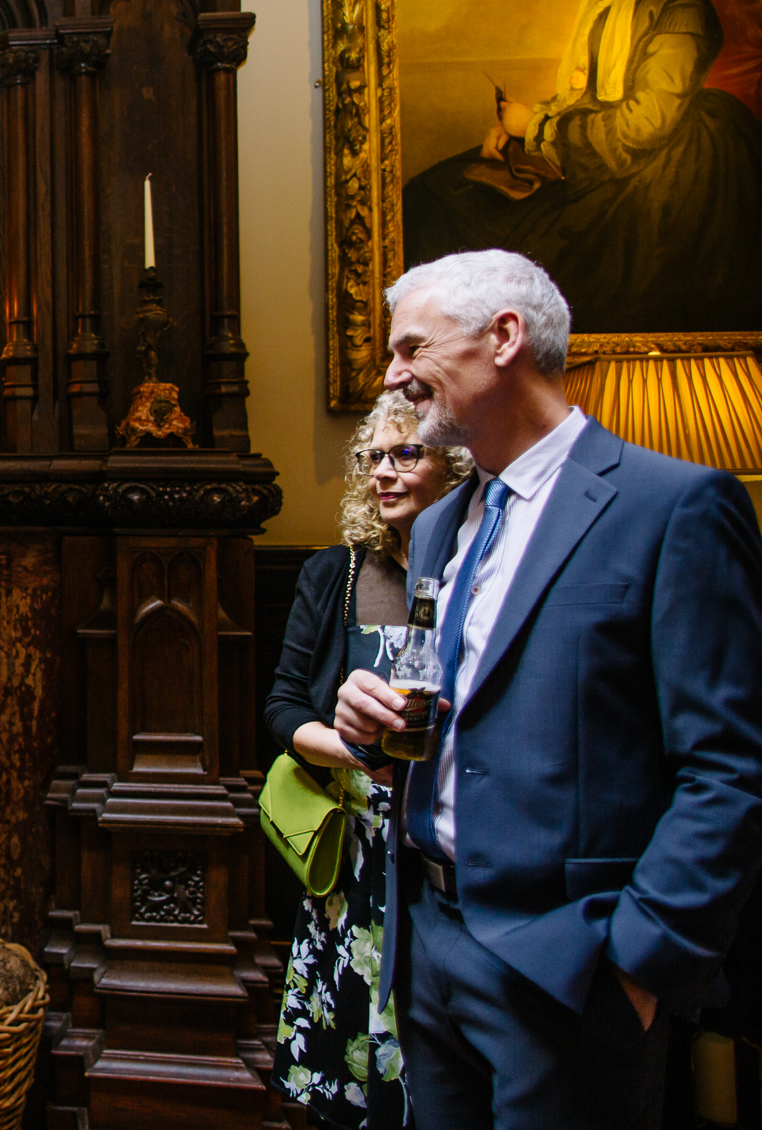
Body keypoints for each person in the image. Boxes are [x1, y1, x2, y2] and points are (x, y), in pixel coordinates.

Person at [334, 249, 762, 1127]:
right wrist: (371, 725)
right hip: (430, 949)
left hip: (573, 970)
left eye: (413, 347)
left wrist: (642, 964)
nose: (392, 374)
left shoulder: (673, 507)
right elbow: (462, 712)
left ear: (504, 337)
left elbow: (726, 768)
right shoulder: (444, 521)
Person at [401, 0, 762, 335]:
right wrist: (520, 130)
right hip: (605, 154)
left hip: (662, 176)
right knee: (432, 192)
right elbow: (589, 91)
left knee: (477, 228)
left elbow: (645, 124)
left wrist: (537, 128)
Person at [265, 391, 471, 1127]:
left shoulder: (481, 580)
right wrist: (356, 755)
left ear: (455, 463)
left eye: (405, 454)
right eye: (372, 458)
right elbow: (284, 709)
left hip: (453, 849)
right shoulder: (336, 574)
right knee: (356, 1075)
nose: (383, 472)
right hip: (356, 857)